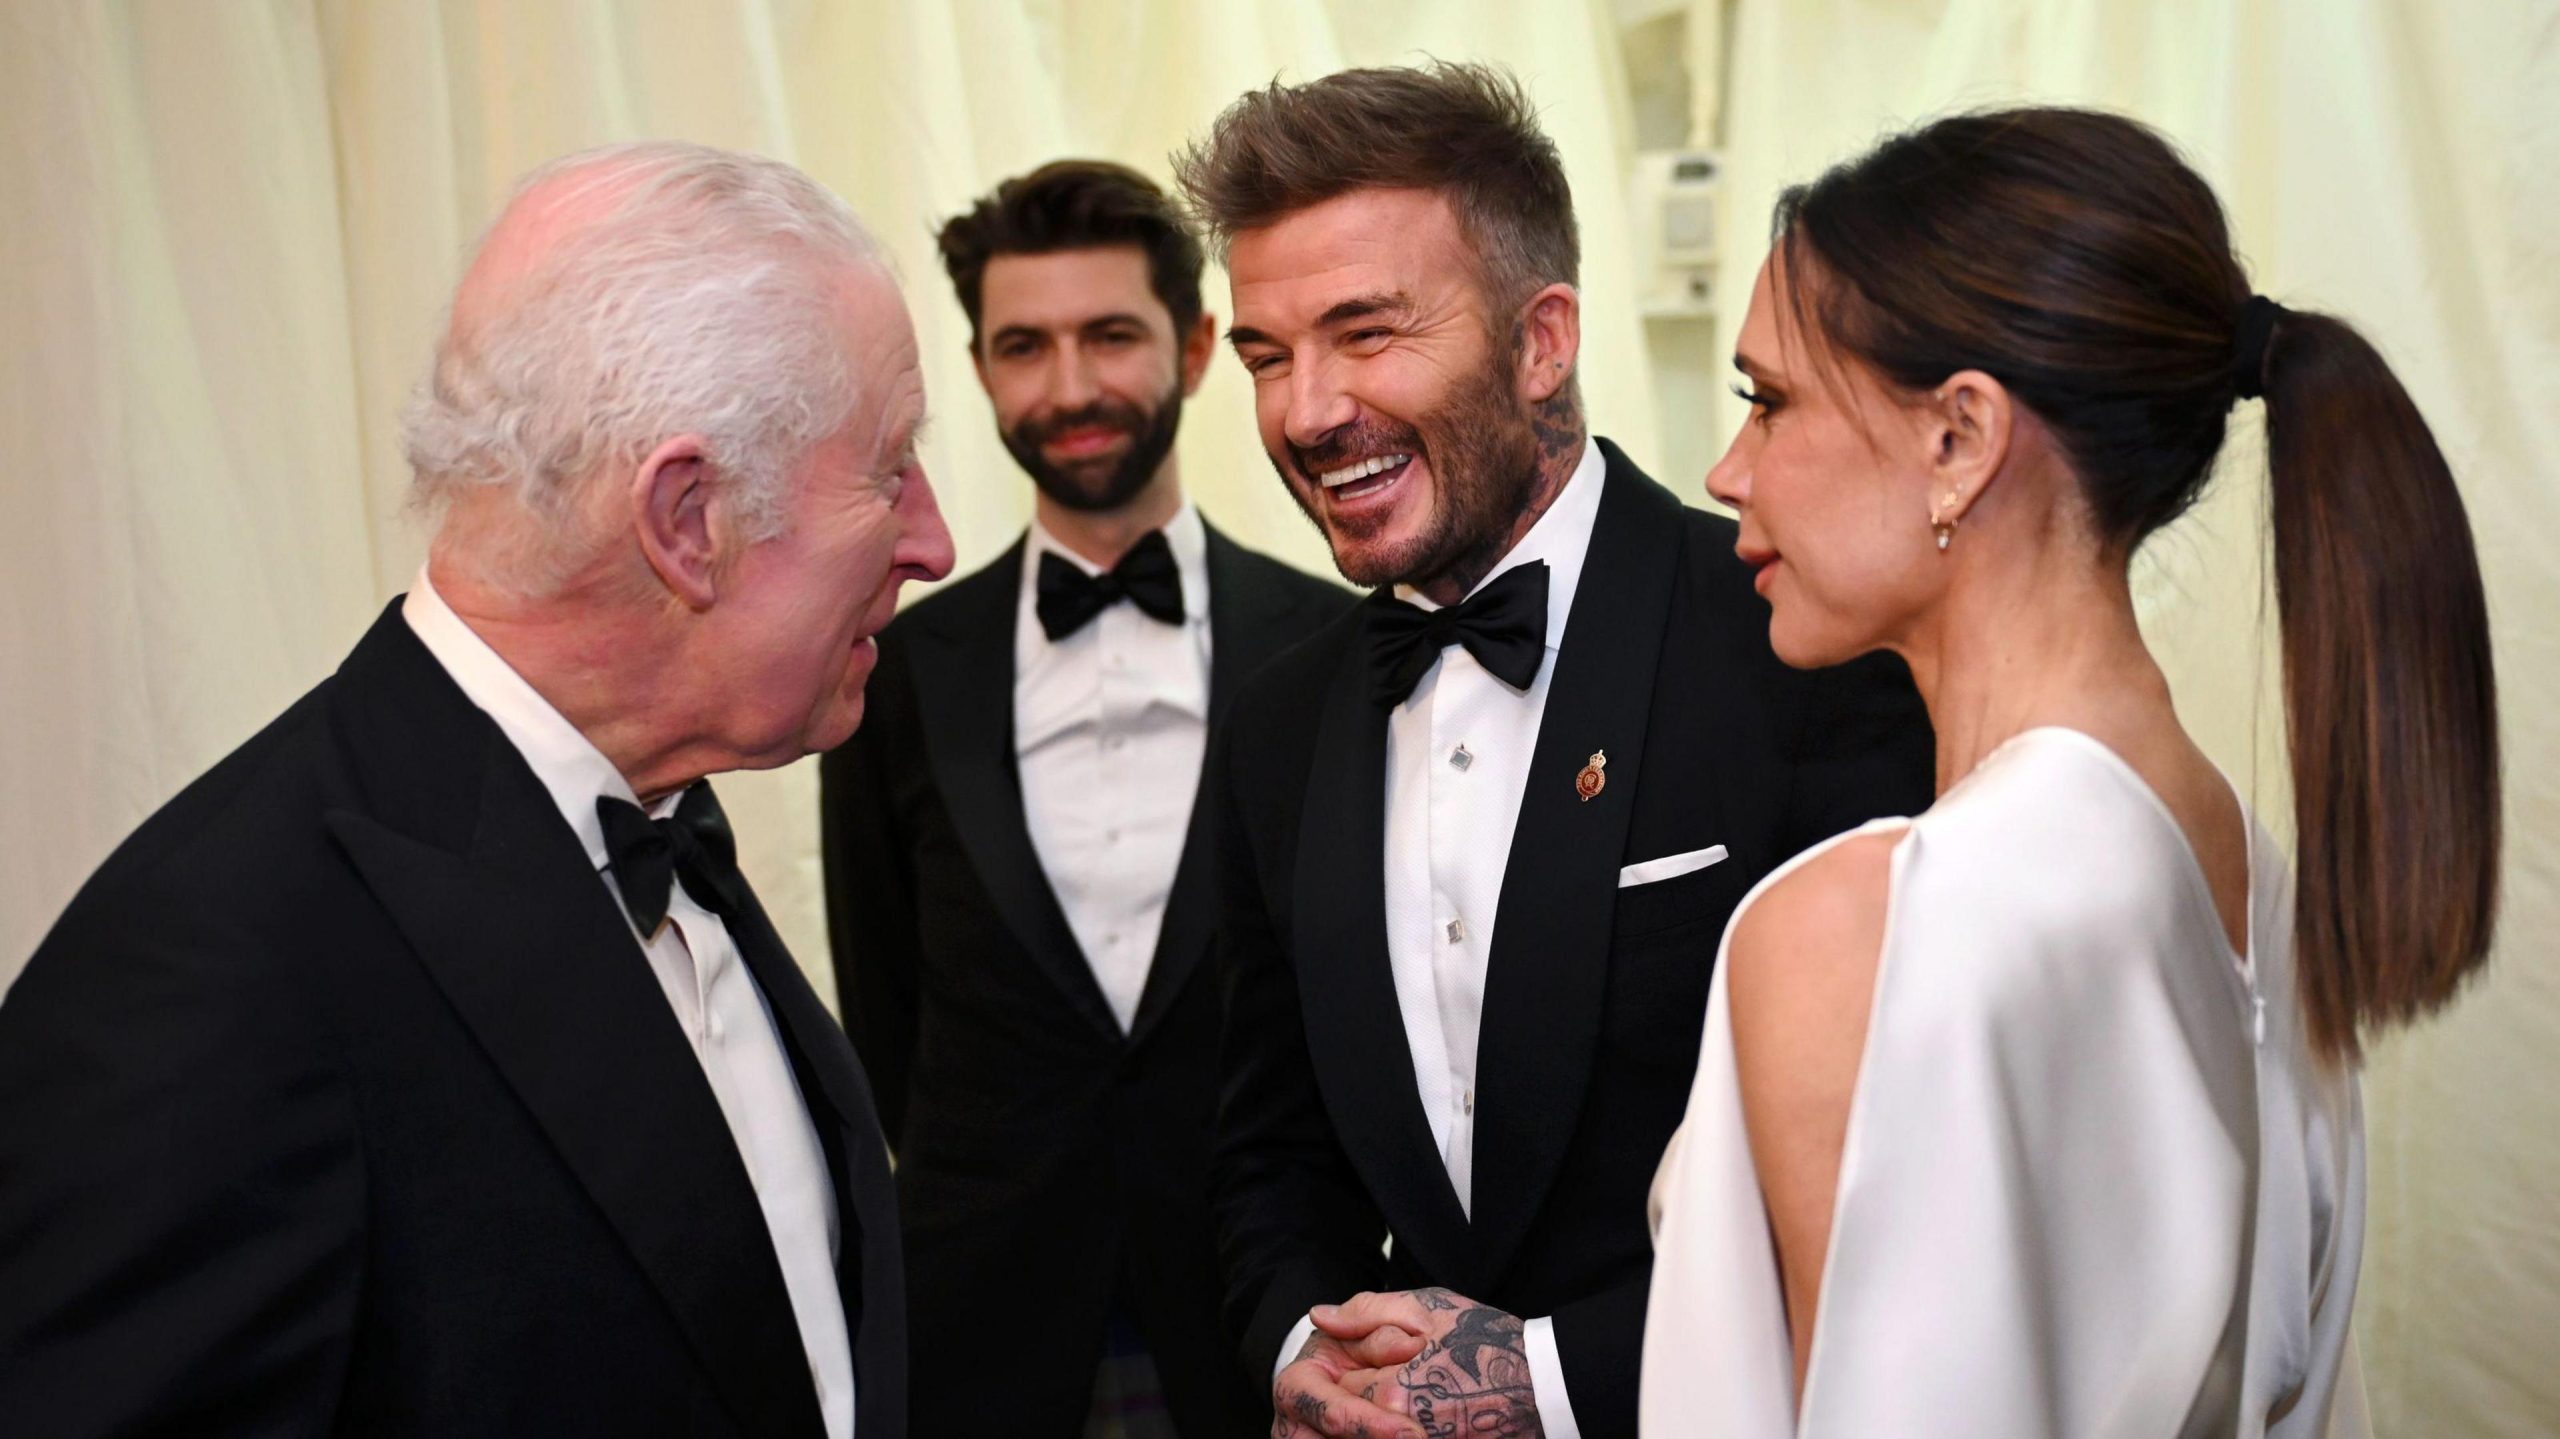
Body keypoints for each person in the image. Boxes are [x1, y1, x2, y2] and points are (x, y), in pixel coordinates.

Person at [0, 141, 953, 1436]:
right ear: (688, 519)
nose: (935, 539)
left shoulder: (664, 822)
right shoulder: (210, 974)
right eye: (888, 466)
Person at [1640, 107, 2501, 1436]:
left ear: (1961, 439)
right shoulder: (2260, 887)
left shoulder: (1867, 927)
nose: (1727, 469)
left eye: (1771, 398)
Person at [1171, 63, 1935, 1439]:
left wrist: (1546, 1379)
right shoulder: (1277, 718)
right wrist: (1301, 1342)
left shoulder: (1803, 648)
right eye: (1270, 357)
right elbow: (1269, 1145)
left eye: (1366, 331)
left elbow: (1913, 1175)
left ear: (1542, 342)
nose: (1305, 410)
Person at [819, 159, 1344, 1438]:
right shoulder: (886, 669)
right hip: (980, 1326)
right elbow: (885, 1011)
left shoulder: (1335, 650)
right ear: (981, 370)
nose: (1069, 388)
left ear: (1200, 342)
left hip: (1262, 1313)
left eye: (1110, 335)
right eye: (1023, 346)